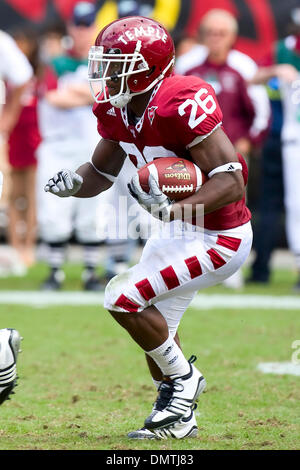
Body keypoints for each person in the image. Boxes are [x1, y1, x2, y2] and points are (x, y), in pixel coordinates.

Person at [45, 16, 253, 439]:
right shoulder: (119, 107)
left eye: (117, 62)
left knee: (121, 297)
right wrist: (74, 184)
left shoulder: (182, 99)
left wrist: (180, 210)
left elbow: (233, 179)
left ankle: (185, 381)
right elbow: (102, 171)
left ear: (145, 67)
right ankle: (179, 417)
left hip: (219, 236)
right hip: (177, 231)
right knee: (158, 330)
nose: (106, 72)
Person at [176, 9, 270, 289]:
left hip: (231, 152)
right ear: (202, 35)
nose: (215, 39)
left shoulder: (243, 66)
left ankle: (232, 265)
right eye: (210, 33)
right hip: (192, 152)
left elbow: (261, 112)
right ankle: (189, 264)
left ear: (231, 37)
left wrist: (249, 142)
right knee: (190, 208)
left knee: (232, 207)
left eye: (221, 33)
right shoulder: (188, 64)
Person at [36, 2, 106, 291]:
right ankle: (55, 271)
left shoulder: (103, 63)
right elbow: (54, 98)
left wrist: (79, 93)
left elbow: (106, 96)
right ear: (70, 28)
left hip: (92, 145)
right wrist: (89, 94)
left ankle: (91, 272)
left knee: (94, 209)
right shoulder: (55, 63)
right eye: (78, 25)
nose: (82, 31)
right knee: (53, 209)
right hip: (58, 144)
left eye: (87, 25)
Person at [247, 7, 300, 291]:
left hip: (286, 135)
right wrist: (274, 72)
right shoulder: (282, 52)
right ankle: (262, 268)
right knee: (288, 205)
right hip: (283, 137)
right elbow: (253, 77)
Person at [6, 28, 42, 269]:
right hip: (12, 137)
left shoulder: (37, 77)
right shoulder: (8, 81)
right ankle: (14, 246)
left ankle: (29, 245)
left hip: (32, 138)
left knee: (30, 196)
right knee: (12, 196)